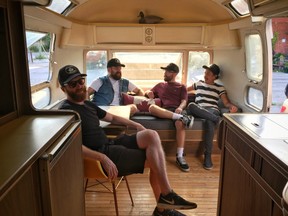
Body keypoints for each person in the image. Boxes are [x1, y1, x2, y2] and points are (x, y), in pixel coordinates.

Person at [58, 65, 197, 216]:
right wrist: (102, 157)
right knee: (156, 160)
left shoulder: (87, 104)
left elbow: (110, 117)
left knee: (151, 135)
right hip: (100, 155)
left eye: (81, 81)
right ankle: (164, 207)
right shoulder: (66, 112)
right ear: (63, 88)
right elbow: (72, 146)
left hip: (110, 143)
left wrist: (135, 124)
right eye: (73, 84)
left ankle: (167, 197)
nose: (79, 86)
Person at [186, 64, 238, 170]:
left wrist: (232, 107)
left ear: (215, 76)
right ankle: (217, 120)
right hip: (199, 109)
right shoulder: (198, 84)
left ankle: (207, 156)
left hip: (212, 110)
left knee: (209, 122)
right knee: (191, 105)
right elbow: (184, 90)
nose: (205, 75)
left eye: (208, 74)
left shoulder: (219, 88)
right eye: (205, 73)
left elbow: (226, 103)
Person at [144, 63, 194, 172]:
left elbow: (184, 101)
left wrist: (180, 108)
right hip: (165, 111)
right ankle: (181, 117)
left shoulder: (182, 87)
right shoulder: (160, 85)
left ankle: (180, 156)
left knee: (180, 123)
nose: (165, 73)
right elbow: (147, 91)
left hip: (178, 109)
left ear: (174, 73)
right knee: (152, 107)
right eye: (165, 71)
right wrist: (149, 93)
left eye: (167, 71)